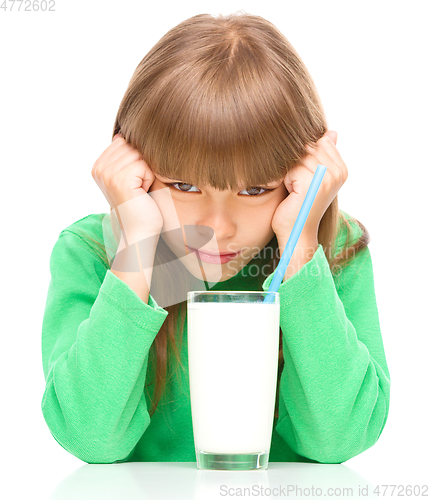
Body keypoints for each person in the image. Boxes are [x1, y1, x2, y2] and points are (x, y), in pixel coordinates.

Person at [40, 12, 390, 465]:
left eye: (255, 190)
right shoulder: (90, 252)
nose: (218, 227)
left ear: (299, 178)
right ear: (132, 170)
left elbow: (341, 440)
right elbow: (88, 437)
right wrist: (139, 247)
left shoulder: (331, 250)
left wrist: (301, 247)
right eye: (184, 186)